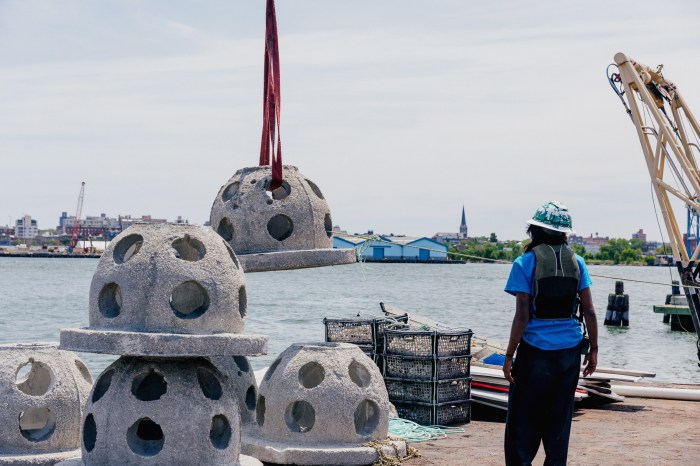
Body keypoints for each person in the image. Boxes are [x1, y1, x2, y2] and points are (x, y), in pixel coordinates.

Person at [503, 201, 598, 466]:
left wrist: (509, 355)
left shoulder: (524, 263)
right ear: (565, 233)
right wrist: (594, 351)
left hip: (535, 354)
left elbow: (522, 315)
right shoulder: (577, 262)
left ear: (534, 230)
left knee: (523, 422)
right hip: (569, 355)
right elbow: (589, 311)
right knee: (559, 421)